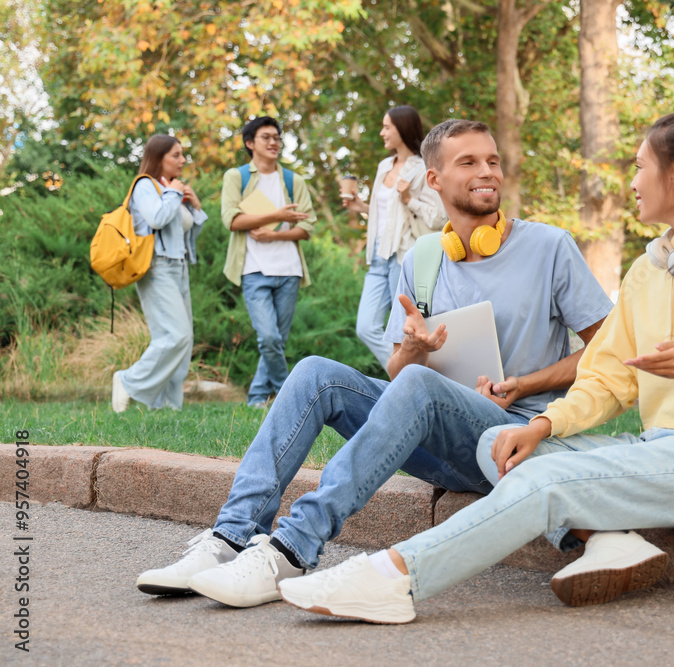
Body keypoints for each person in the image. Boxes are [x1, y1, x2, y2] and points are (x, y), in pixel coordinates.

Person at [276, 111, 674, 624]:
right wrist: (541, 425)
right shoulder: (647, 270)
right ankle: (610, 540)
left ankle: (394, 577)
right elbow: (609, 378)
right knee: (499, 442)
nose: (632, 182)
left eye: (640, 168)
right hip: (660, 445)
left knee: (543, 480)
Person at [135, 119, 613, 608]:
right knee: (315, 373)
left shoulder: (549, 246)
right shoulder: (425, 258)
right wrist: (414, 348)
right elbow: (399, 378)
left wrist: (526, 383)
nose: (486, 171)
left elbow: (608, 350)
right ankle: (230, 538)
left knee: (421, 386)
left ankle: (292, 549)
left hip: (511, 438)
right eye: (468, 162)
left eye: (492, 160)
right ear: (434, 179)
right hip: (437, 438)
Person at [219, 116, 316, 408]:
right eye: (266, 137)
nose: (274, 142)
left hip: (288, 271)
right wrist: (278, 216)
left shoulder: (292, 180)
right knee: (270, 338)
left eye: (277, 137)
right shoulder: (237, 177)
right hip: (253, 269)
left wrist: (275, 236)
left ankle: (258, 398)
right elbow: (232, 220)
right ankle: (289, 397)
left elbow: (307, 227)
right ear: (250, 144)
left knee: (275, 342)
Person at [344, 105, 447, 371]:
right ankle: (404, 375)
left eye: (387, 127)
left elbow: (438, 217)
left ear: (403, 129)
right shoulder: (383, 167)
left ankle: (413, 378)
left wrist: (409, 199)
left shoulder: (423, 168)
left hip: (402, 256)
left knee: (404, 333)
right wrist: (361, 207)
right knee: (365, 327)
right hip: (379, 256)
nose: (382, 132)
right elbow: (388, 215)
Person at [111, 135, 207, 413]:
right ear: (159, 157)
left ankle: (167, 406)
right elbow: (156, 219)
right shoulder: (145, 185)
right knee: (174, 336)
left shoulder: (169, 188)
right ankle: (128, 381)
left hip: (179, 267)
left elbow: (186, 231)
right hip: (156, 268)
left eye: (182, 154)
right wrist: (174, 194)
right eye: (175, 155)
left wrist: (195, 207)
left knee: (183, 338)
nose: (182, 160)